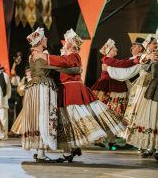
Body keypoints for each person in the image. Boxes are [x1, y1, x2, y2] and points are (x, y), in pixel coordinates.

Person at [31, 28, 125, 162]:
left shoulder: (73, 55)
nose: (64, 43)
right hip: (66, 90)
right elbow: (63, 63)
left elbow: (64, 62)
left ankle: (71, 150)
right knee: (67, 121)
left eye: (67, 41)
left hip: (73, 89)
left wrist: (44, 57)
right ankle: (70, 151)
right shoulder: (68, 55)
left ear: (72, 44)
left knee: (73, 119)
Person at [11, 28, 82, 162]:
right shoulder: (43, 54)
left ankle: (41, 152)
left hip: (34, 89)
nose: (46, 39)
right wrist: (77, 69)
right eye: (44, 38)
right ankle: (44, 153)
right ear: (39, 41)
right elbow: (60, 67)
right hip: (43, 89)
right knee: (45, 117)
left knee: (39, 118)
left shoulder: (32, 55)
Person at [91, 38, 140, 149]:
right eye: (114, 48)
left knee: (114, 115)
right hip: (109, 88)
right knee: (109, 113)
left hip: (115, 86)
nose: (116, 49)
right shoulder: (107, 59)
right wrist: (135, 60)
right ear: (108, 51)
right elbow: (121, 63)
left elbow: (122, 63)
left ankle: (110, 139)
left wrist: (133, 60)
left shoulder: (109, 60)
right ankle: (102, 138)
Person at [126, 34, 158, 159]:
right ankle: (149, 146)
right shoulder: (150, 55)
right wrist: (149, 57)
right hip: (152, 89)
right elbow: (143, 65)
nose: (156, 45)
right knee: (151, 117)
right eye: (154, 43)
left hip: (153, 87)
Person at [0, 59, 11, 140]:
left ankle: (3, 135)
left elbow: (8, 89)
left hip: (2, 100)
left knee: (3, 118)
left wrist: (6, 98)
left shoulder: (4, 75)